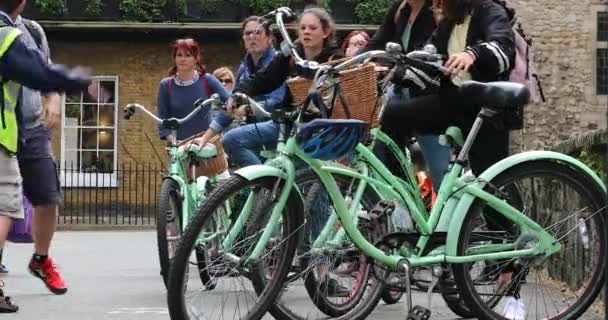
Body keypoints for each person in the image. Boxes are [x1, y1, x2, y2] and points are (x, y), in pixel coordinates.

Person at [0, 0, 92, 312]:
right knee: (2, 206)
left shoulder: (33, 31)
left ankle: (41, 259)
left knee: (47, 198)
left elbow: (44, 69)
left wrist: (53, 98)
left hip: (30, 126)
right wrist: (72, 81)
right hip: (4, 130)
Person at [380, 0, 515, 177]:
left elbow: (504, 50)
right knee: (393, 115)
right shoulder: (450, 21)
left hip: (485, 107)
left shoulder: (490, 11)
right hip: (454, 101)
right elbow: (433, 59)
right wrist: (405, 71)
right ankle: (401, 190)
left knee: (488, 178)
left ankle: (496, 201)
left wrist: (472, 54)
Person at [194, 9, 342, 167]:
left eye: (312, 28)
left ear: (325, 32)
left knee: (312, 177)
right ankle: (265, 185)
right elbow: (265, 79)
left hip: (319, 127)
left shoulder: (336, 59)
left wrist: (252, 109)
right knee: (232, 140)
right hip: (287, 123)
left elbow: (276, 98)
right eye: (303, 27)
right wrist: (238, 94)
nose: (306, 32)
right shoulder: (289, 56)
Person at [156, 38, 229, 142]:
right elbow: (162, 120)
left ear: (196, 59)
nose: (182, 59)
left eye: (188, 55)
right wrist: (174, 142)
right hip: (178, 146)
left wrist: (213, 130)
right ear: (174, 58)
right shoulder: (166, 85)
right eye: (179, 55)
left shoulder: (207, 80)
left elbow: (230, 103)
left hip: (205, 144)